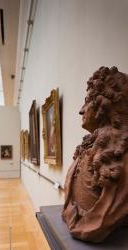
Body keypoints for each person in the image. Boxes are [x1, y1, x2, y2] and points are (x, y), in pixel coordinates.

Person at [62, 66, 128, 242]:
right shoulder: (89, 146)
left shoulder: (121, 156)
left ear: (103, 107)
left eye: (88, 101)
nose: (81, 110)